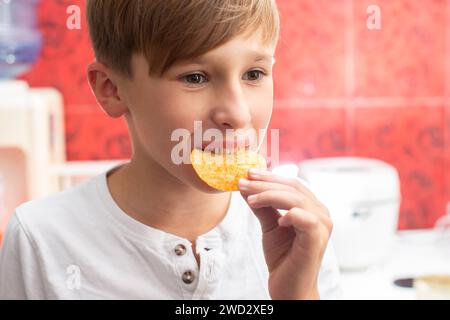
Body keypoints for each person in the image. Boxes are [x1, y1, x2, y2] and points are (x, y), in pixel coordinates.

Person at [0, 0, 342, 299]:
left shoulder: (299, 224)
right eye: (195, 77)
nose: (237, 114)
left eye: (254, 73)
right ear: (112, 89)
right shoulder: (41, 239)